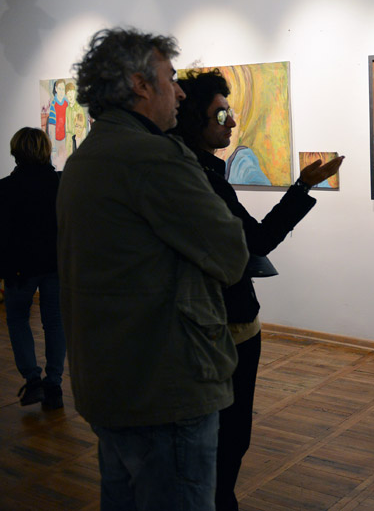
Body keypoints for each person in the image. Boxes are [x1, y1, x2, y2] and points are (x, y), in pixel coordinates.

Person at [57, 27, 249, 511]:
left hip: (111, 382)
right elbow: (232, 254)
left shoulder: (85, 158)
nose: (180, 93)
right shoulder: (153, 157)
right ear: (141, 85)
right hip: (165, 386)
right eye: (171, 78)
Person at [171, 69, 343, 511]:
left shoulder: (202, 173)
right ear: (193, 118)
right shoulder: (199, 179)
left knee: (228, 439)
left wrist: (303, 186)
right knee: (227, 438)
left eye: (230, 112)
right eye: (220, 114)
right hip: (225, 327)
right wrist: (302, 188)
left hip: (227, 324)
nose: (231, 122)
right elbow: (258, 240)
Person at [0, 127, 66, 410]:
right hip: (56, 265)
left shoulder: (5, 188)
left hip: (19, 269)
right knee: (55, 322)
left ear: (16, 152)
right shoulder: (61, 184)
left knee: (17, 320)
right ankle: (54, 385)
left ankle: (33, 379)